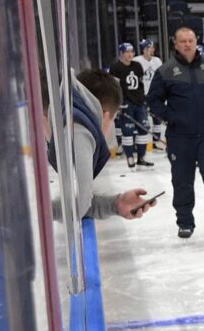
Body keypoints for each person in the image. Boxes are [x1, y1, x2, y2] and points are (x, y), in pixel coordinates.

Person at [146, 23, 204, 240]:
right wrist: (170, 117)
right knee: (182, 181)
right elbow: (153, 100)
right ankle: (185, 222)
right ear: (175, 44)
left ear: (197, 42)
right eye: (183, 41)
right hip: (179, 137)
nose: (187, 45)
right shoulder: (165, 71)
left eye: (191, 41)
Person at [52, 69, 157, 222]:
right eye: (113, 119)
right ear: (105, 115)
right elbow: (79, 204)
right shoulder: (80, 134)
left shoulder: (68, 127)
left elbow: (76, 206)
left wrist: (116, 204)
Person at [108, 41, 153, 169]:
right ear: (121, 53)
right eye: (127, 52)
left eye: (132, 51)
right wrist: (118, 103)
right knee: (127, 131)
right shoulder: (115, 68)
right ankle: (129, 157)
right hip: (125, 104)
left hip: (139, 103)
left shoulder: (137, 66)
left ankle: (141, 157)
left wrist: (144, 100)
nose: (130, 54)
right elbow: (113, 87)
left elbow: (140, 84)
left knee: (143, 129)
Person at [133, 37, 165, 150]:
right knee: (142, 119)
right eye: (150, 47)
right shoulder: (136, 61)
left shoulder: (157, 61)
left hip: (155, 94)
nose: (153, 49)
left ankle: (156, 141)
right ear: (145, 49)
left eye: (152, 47)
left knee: (157, 118)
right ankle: (138, 143)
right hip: (142, 95)